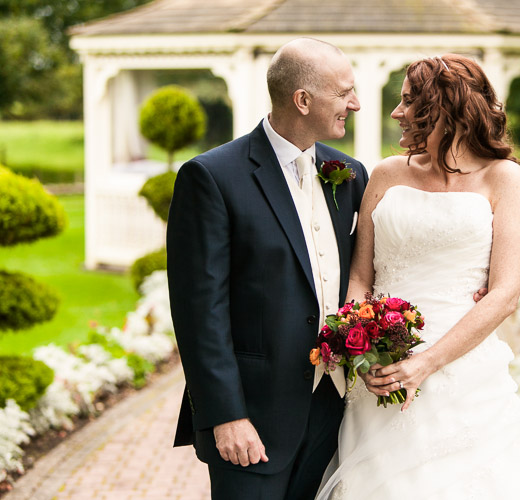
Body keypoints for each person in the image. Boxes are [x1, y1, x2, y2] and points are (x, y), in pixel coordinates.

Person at [316, 54, 520, 499]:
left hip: (463, 373)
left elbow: (504, 295)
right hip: (384, 371)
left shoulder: (503, 179)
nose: (395, 112)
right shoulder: (387, 174)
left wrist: (425, 364)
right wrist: (365, 353)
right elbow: (359, 279)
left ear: (444, 109)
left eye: (408, 101)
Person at [167, 38, 368, 499]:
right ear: (303, 100)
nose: (354, 104)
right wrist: (225, 416)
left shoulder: (349, 173)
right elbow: (200, 313)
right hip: (251, 419)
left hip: (331, 410)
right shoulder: (212, 177)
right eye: (344, 92)